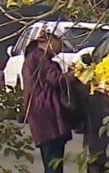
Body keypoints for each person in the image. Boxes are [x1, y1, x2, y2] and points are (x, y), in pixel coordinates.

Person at [23, 27, 72, 173]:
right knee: (54, 164)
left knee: (52, 163)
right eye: (60, 42)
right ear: (51, 41)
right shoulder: (40, 56)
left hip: (41, 114)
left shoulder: (33, 56)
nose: (61, 48)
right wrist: (75, 74)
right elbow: (57, 80)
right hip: (48, 115)